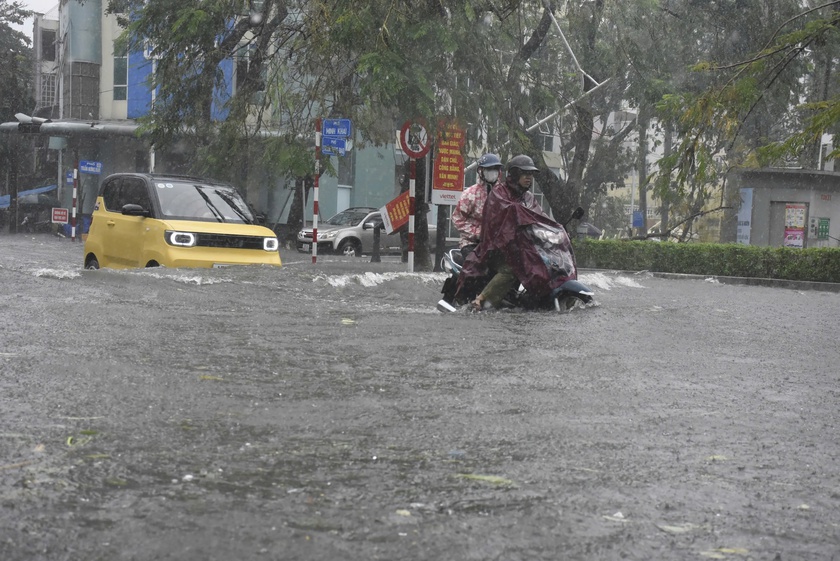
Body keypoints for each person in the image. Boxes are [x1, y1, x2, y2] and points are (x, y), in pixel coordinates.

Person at [458, 154, 577, 310]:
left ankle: (530, 302)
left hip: (520, 247)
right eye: (525, 173)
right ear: (514, 174)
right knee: (512, 269)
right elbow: (506, 215)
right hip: (496, 248)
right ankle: (480, 300)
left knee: (542, 267)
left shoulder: (528, 197)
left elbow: (540, 217)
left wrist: (556, 230)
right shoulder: (499, 193)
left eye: (531, 174)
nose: (529, 178)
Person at [451, 153, 503, 259]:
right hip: (472, 244)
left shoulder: (504, 194)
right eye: (489, 169)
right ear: (481, 171)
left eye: (495, 169)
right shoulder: (470, 194)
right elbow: (457, 219)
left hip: (498, 244)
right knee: (476, 267)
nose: (492, 172)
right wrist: (479, 234)